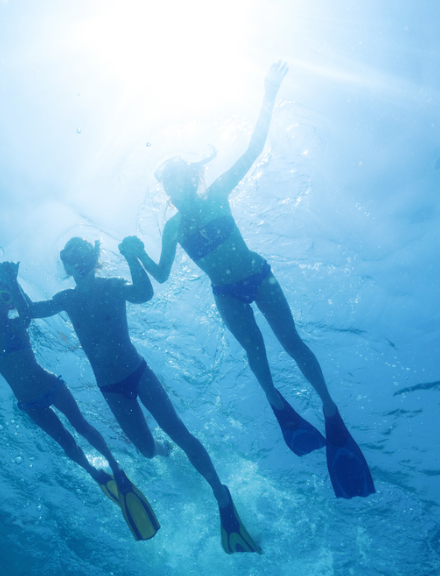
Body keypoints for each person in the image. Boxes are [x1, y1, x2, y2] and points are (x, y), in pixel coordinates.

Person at [120, 60, 374, 499]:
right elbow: (161, 277)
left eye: (175, 178)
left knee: (292, 343)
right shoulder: (172, 228)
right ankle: (279, 406)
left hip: (258, 275)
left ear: (191, 176)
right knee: (257, 356)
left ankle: (330, 410)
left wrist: (269, 93)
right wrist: (138, 253)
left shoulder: (217, 192)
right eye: (166, 184)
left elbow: (255, 147)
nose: (171, 188)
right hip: (226, 293)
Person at [17, 239, 261, 554]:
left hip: (138, 373)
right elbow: (31, 312)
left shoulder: (114, 285)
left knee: (179, 430)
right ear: (66, 263)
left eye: (79, 255)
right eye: (68, 257)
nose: (74, 262)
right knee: (146, 450)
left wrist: (133, 257)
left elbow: (144, 293)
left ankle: (220, 494)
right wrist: (12, 282)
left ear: (92, 258)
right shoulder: (68, 298)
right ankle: (164, 450)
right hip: (111, 387)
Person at [0, 261, 159, 541]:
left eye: (4, 296)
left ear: (10, 303)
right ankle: (94, 473)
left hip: (51, 385)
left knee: (82, 426)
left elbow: (28, 313)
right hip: (28, 403)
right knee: (65, 442)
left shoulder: (18, 323)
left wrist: (12, 280)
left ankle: (115, 466)